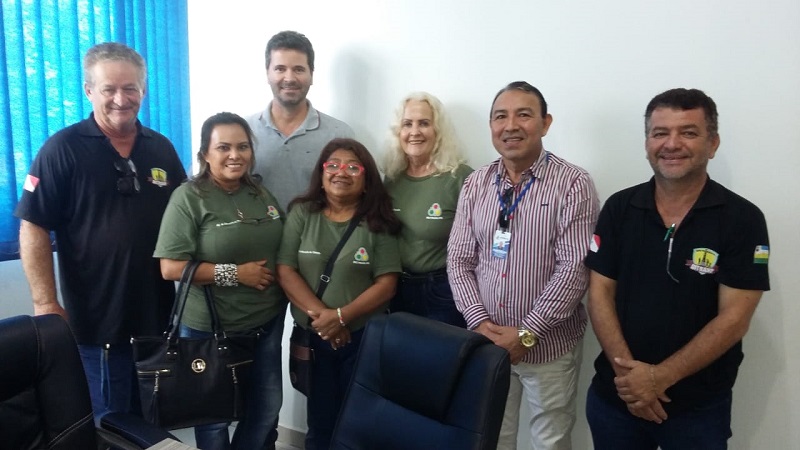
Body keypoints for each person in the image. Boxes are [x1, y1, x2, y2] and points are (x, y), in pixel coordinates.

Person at [584, 88, 770, 450]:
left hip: (698, 409)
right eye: (660, 133)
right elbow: (600, 293)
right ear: (647, 142)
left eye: (688, 132)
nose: (672, 144)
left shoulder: (743, 219)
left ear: (712, 143)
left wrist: (659, 378)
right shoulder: (620, 208)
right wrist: (631, 379)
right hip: (616, 398)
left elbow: (735, 318)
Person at [13, 42, 186, 422]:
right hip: (95, 324)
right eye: (109, 89)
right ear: (90, 90)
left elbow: (187, 220)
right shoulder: (62, 149)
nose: (121, 99)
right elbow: (34, 224)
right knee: (106, 423)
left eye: (131, 88)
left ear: (144, 90)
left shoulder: (162, 149)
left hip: (157, 320)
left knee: (153, 423)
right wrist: (45, 302)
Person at [447, 81, 600, 450]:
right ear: (491, 126)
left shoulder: (573, 184)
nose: (510, 125)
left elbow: (575, 268)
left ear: (545, 124)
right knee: (492, 433)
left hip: (547, 347)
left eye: (524, 115)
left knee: (550, 438)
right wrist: (480, 324)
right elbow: (458, 259)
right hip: (486, 341)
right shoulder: (475, 184)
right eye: (501, 116)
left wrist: (527, 333)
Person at [153, 112, 285, 450]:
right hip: (208, 328)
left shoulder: (259, 192)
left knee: (267, 409)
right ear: (204, 154)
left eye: (242, 147)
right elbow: (170, 267)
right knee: (214, 419)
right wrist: (235, 273)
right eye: (223, 147)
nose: (234, 155)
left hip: (265, 324)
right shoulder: (189, 198)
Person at [276, 138, 401, 450]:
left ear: (366, 177)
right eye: (332, 165)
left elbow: (387, 284)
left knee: (360, 421)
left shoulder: (377, 221)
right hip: (313, 337)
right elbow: (285, 270)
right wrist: (325, 320)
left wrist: (342, 318)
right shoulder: (302, 213)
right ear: (321, 173)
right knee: (319, 421)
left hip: (362, 338)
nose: (340, 172)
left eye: (352, 167)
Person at [383, 92, 472, 327]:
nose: (414, 132)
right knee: (402, 362)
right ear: (398, 132)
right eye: (407, 124)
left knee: (442, 362)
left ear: (438, 131)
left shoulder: (460, 178)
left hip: (443, 292)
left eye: (424, 123)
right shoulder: (391, 179)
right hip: (396, 290)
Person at [247, 30, 354, 210]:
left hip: (317, 237)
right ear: (267, 74)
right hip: (256, 237)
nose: (289, 78)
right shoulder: (244, 133)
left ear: (311, 74)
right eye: (280, 69)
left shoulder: (339, 134)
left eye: (298, 69)